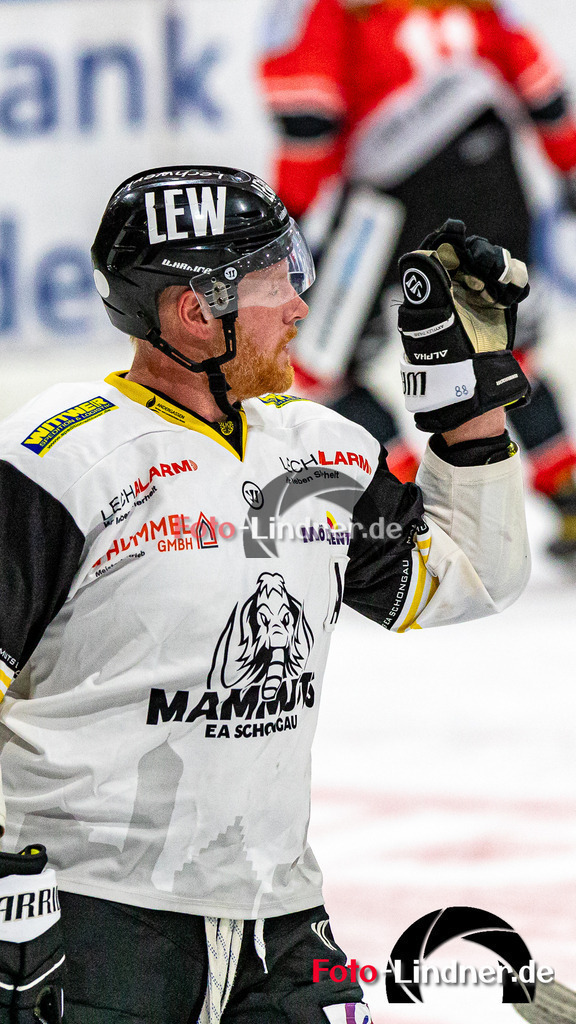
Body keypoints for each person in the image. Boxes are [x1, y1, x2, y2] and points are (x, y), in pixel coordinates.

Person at [0, 166, 530, 1024]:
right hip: (88, 923)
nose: (299, 306)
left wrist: (466, 401)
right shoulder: (60, 462)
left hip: (279, 923)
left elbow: (470, 574)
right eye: (276, 281)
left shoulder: (319, 454)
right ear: (195, 311)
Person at [259, 0, 576, 555]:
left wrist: (289, 219)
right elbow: (543, 89)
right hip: (495, 179)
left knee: (314, 360)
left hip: (395, 198)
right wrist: (568, 163)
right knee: (501, 353)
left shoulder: (330, 8)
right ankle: (568, 491)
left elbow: (310, 118)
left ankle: (405, 511)